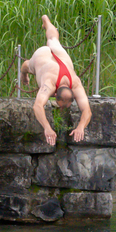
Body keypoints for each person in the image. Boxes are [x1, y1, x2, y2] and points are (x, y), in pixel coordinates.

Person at [20, 15, 92, 145]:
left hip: (60, 56)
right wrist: (47, 128)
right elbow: (37, 106)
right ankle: (23, 74)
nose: (62, 109)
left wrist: (81, 127)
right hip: (42, 57)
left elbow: (87, 110)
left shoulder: (75, 83)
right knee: (27, 66)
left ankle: (46, 21)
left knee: (53, 38)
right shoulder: (49, 84)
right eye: (61, 105)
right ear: (54, 95)